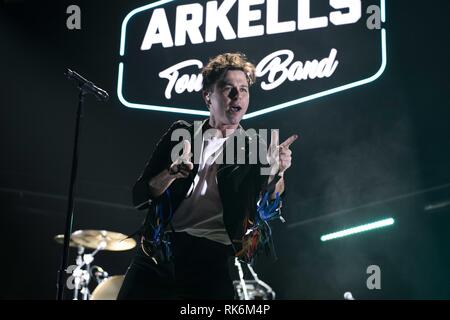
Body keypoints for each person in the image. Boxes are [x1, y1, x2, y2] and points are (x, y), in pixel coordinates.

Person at [117, 52, 297, 300]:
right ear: (208, 96)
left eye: (243, 90)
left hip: (212, 260)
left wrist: (277, 174)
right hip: (160, 254)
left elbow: (268, 209)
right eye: (228, 89)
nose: (237, 96)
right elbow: (141, 195)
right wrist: (170, 174)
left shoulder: (254, 146)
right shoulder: (182, 134)